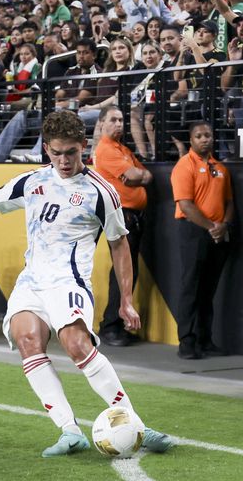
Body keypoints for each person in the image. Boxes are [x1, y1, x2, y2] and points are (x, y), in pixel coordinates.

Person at [0, 111, 173, 457]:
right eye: (57, 152)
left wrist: (126, 300)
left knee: (76, 345)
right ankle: (69, 431)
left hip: (69, 281)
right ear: (46, 148)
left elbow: (119, 244)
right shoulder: (31, 182)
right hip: (31, 282)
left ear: (83, 146)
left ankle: (136, 425)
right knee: (28, 341)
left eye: (71, 152)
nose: (64, 161)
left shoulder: (100, 192)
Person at [170, 121, 234, 360]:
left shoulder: (221, 168)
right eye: (199, 136)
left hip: (218, 233)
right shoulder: (184, 165)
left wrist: (224, 225)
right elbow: (186, 205)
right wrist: (212, 227)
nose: (204, 139)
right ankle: (186, 342)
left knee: (208, 290)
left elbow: (229, 202)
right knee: (191, 287)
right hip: (193, 231)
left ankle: (205, 340)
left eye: (208, 135)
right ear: (191, 140)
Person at [94, 106, 152, 347]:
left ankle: (116, 324)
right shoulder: (107, 149)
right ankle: (110, 327)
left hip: (132, 216)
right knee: (123, 272)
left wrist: (139, 176)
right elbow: (136, 175)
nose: (119, 124)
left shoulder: (123, 149)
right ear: (102, 123)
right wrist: (137, 176)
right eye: (113, 120)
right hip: (122, 216)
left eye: (121, 120)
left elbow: (145, 175)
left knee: (128, 272)